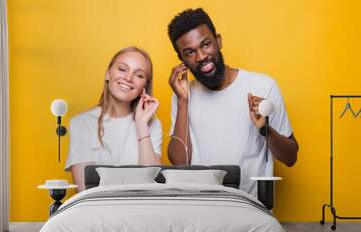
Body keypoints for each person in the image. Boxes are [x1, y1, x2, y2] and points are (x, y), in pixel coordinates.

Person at [167, 8, 299, 197]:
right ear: (182, 59)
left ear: (218, 41)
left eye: (205, 44)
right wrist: (182, 102)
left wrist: (265, 129)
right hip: (200, 210)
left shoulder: (263, 86)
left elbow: (291, 157)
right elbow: (180, 163)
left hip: (250, 210)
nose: (201, 57)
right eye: (190, 52)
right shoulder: (183, 95)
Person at [65, 47, 162, 192]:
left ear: (144, 87)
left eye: (139, 75)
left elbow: (152, 183)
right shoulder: (81, 123)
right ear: (108, 74)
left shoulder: (152, 125)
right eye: (122, 69)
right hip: (96, 211)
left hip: (141, 210)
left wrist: (141, 125)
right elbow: (85, 189)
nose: (128, 78)